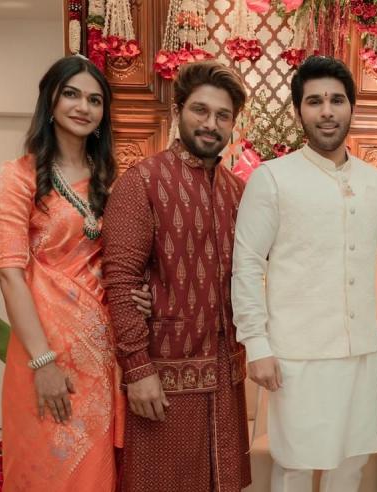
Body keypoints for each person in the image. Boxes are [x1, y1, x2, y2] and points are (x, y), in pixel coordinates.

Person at [232, 56, 377, 492]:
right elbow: (247, 263)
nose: (327, 111)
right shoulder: (273, 178)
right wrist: (256, 344)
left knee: (352, 466)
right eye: (315, 101)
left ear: (352, 107)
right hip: (296, 355)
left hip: (361, 354)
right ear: (298, 111)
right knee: (295, 467)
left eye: (337, 100)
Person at [0, 55, 149, 491]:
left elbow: (124, 263)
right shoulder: (19, 177)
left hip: (103, 353)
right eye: (72, 94)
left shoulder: (112, 181)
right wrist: (42, 362)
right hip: (46, 351)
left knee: (97, 470)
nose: (83, 107)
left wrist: (141, 294)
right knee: (50, 464)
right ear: (51, 101)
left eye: (95, 100)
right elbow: (8, 273)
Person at [102, 60, 251, 491]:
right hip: (163, 376)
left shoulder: (238, 191)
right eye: (200, 110)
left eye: (222, 116)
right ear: (177, 111)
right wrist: (138, 369)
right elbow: (121, 281)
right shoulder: (141, 182)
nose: (211, 124)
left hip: (226, 375)